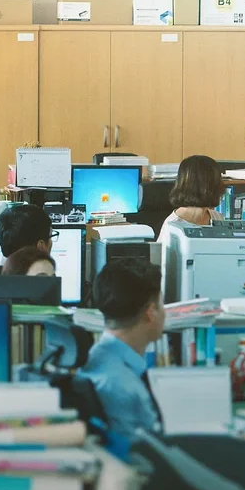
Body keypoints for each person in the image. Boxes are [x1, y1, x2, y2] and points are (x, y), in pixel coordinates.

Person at [77, 259, 166, 439]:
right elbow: (147, 450)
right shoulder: (127, 387)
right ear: (151, 312)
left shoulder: (97, 356)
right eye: (162, 304)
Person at [157, 155, 224, 299]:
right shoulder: (173, 226)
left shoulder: (218, 218)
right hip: (184, 294)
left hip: (214, 287)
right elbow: (164, 275)